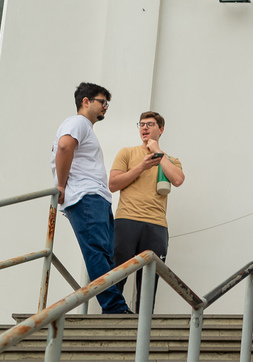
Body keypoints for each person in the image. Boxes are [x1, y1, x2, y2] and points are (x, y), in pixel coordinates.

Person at [50, 82, 131, 315]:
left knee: (105, 254)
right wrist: (61, 185)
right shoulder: (77, 122)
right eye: (102, 102)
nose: (106, 107)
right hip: (85, 197)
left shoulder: (84, 127)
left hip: (95, 198)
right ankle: (115, 308)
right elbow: (64, 147)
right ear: (86, 101)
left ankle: (114, 307)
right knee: (97, 252)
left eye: (107, 103)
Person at [109, 111, 185, 312]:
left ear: (160, 129)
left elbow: (178, 180)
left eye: (150, 124)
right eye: (141, 124)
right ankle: (109, 318)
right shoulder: (127, 153)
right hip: (126, 220)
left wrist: (158, 153)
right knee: (117, 274)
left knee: (149, 281)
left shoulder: (171, 159)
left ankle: (143, 328)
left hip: (157, 225)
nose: (144, 128)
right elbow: (113, 184)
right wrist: (141, 167)